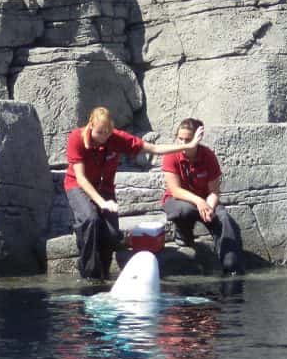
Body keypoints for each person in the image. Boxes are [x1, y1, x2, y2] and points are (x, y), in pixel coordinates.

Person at [65, 106, 205, 280]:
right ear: (91, 125)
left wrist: (189, 145)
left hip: (104, 188)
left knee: (111, 234)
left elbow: (153, 149)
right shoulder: (77, 138)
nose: (104, 137)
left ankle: (103, 275)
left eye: (107, 132)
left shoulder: (115, 138)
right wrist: (102, 203)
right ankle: (89, 276)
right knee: (90, 219)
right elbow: (81, 178)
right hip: (77, 185)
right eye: (100, 132)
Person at [161, 118, 243, 275]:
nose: (183, 143)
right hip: (178, 200)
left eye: (188, 139)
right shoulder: (171, 156)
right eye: (180, 138)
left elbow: (214, 191)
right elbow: (176, 190)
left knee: (223, 218)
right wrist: (199, 202)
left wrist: (209, 208)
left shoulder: (208, 156)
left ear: (198, 139)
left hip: (207, 199)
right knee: (185, 210)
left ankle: (231, 267)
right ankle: (183, 233)